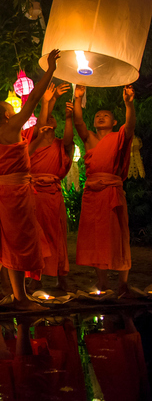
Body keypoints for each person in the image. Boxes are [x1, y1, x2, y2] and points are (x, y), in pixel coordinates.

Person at [0, 49, 60, 310]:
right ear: (5, 115)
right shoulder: (11, 127)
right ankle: (21, 298)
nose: (15, 108)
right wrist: (50, 70)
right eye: (11, 108)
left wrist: (38, 140)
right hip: (15, 193)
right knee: (21, 241)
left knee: (16, 242)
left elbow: (18, 157)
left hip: (5, 191)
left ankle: (20, 296)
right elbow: (34, 98)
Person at [73, 84, 136, 294]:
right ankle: (102, 283)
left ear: (114, 122)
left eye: (106, 115)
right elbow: (78, 122)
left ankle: (123, 284)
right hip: (93, 193)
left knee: (118, 234)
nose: (100, 117)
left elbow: (130, 127)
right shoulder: (90, 138)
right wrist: (78, 98)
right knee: (95, 236)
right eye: (98, 115)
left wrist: (129, 103)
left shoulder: (118, 137)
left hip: (111, 191)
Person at [26, 82, 74, 290]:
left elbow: (70, 139)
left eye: (55, 119)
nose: (50, 120)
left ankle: (61, 276)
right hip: (34, 193)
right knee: (35, 235)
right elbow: (41, 123)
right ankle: (34, 278)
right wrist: (47, 101)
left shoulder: (60, 144)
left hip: (53, 195)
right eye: (48, 118)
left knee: (56, 235)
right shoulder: (33, 141)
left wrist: (69, 116)